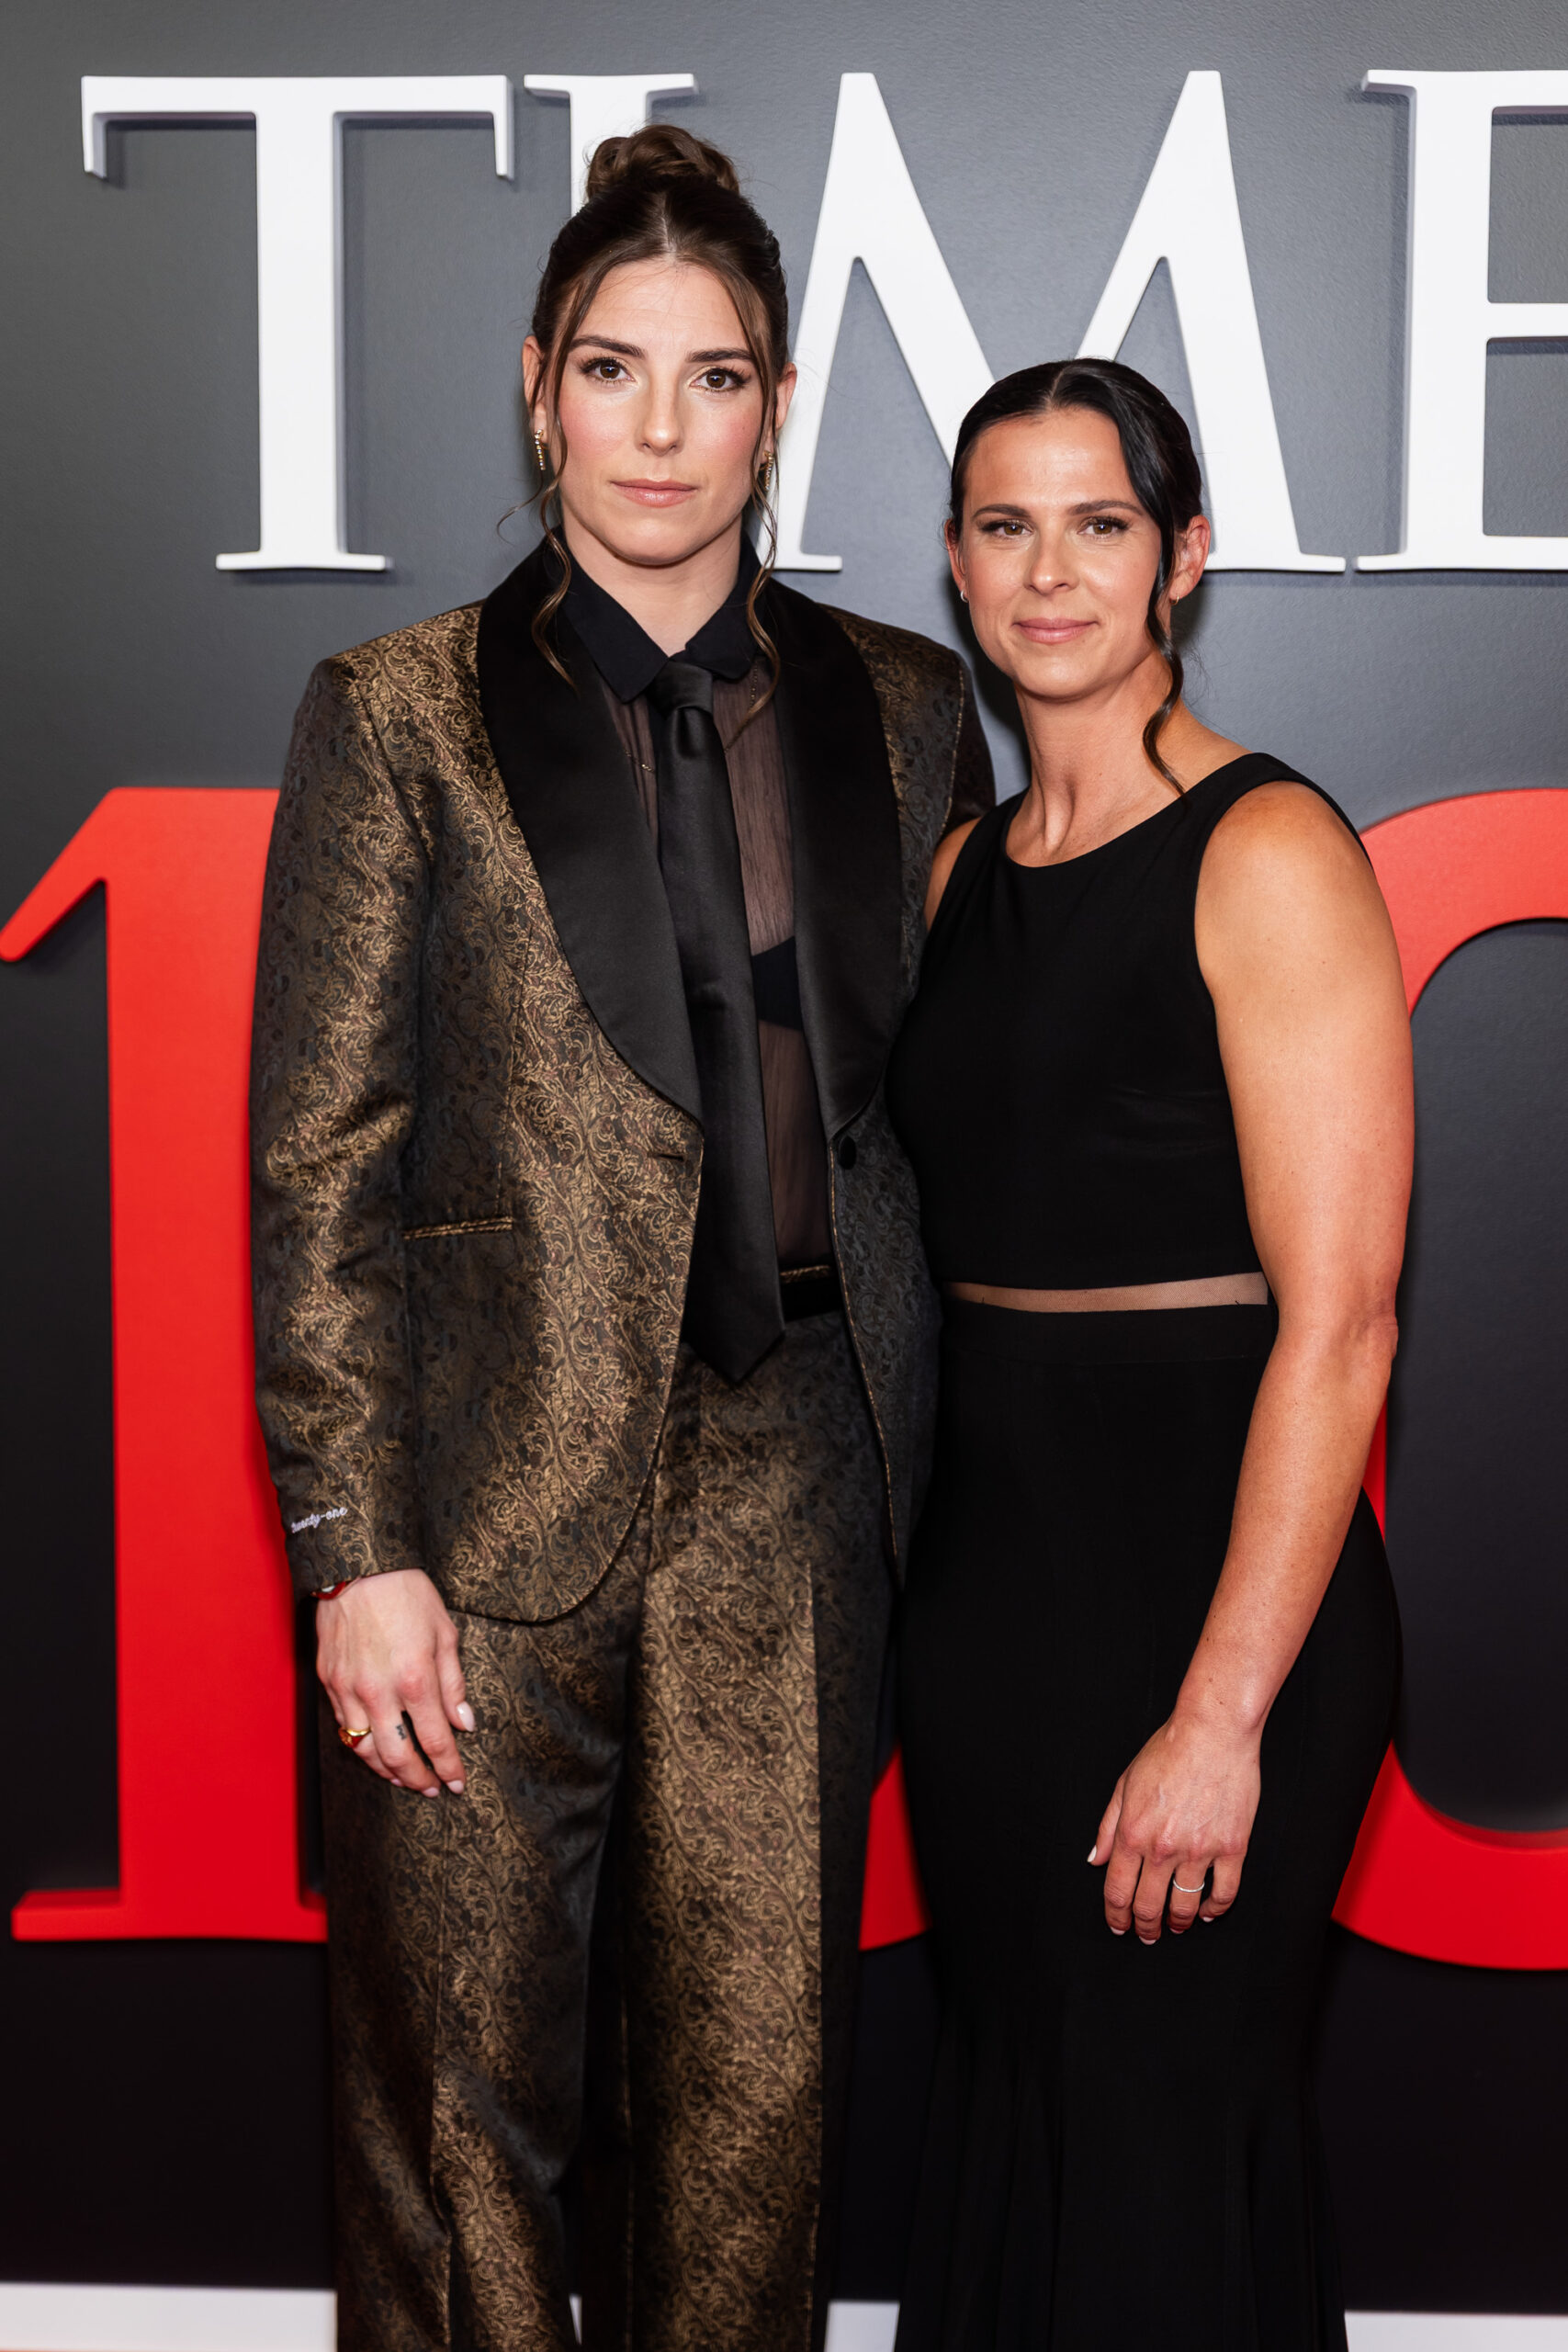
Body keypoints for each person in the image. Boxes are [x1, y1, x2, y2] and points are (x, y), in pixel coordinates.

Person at [249, 125, 992, 2352]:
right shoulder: (392, 713)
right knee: (453, 2131)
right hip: (478, 1506)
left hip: (798, 1486)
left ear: (777, 405)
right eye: (609, 367)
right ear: (536, 386)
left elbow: (949, 1116)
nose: (658, 428)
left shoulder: (908, 709)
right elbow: (322, 1157)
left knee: (754, 2136)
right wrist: (353, 1545)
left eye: (714, 375)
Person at [885, 358, 1410, 2349]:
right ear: (954, 562)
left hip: (1216, 1590)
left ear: (1181, 556)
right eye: (1005, 526)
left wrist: (1219, 1715)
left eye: (1097, 524)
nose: (1049, 573)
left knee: (1159, 2140)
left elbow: (1342, 1323)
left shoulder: (1267, 850)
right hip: (992, 1614)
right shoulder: (960, 874)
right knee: (1021, 2112)